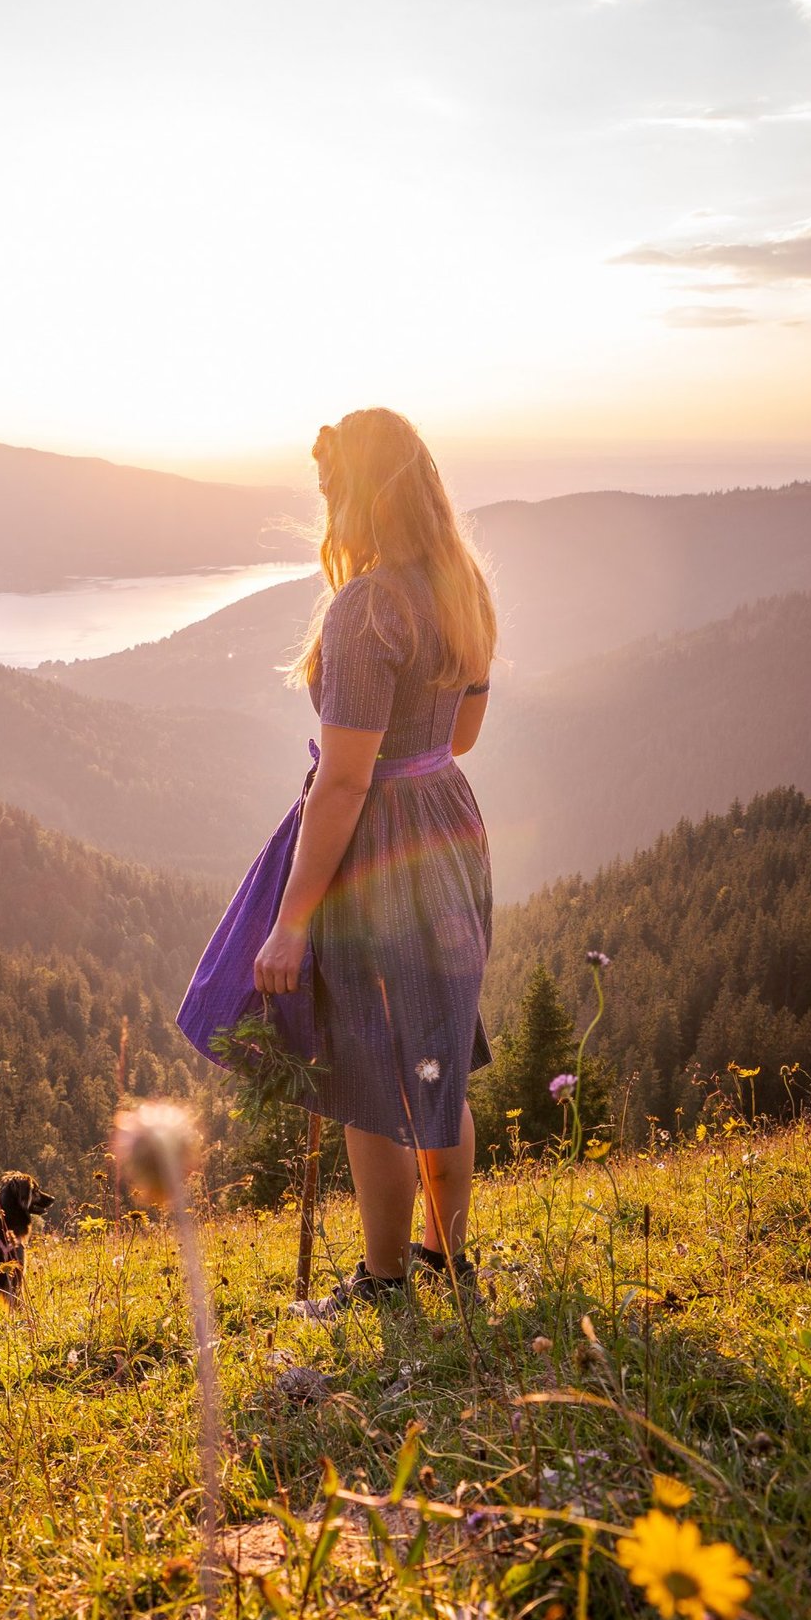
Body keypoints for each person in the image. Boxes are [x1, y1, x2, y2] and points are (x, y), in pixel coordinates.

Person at [254, 408, 496, 1319]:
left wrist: (290, 919)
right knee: (439, 1053)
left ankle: (386, 1282)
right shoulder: (462, 588)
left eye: (330, 490)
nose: (325, 508)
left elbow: (346, 780)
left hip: (380, 847)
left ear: (357, 492)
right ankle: (446, 1261)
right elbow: (461, 734)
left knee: (367, 1069)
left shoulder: (366, 609)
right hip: (449, 826)